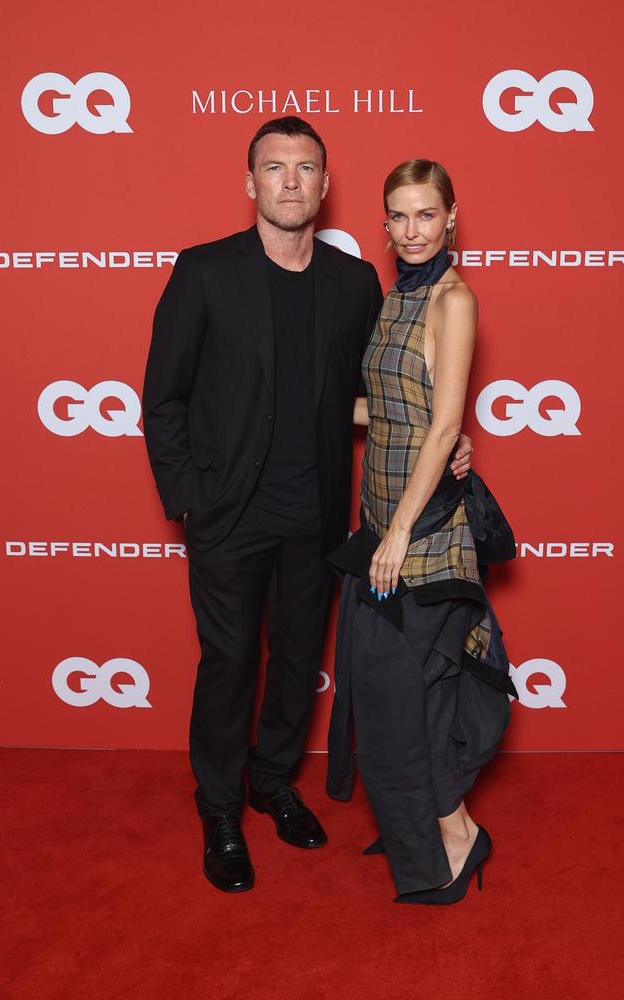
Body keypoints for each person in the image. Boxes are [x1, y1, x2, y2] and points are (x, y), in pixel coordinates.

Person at [142, 121, 473, 894]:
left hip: (318, 512)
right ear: (250, 182)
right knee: (229, 663)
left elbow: (378, 395)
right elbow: (163, 398)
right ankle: (221, 807)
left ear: (325, 186)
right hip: (228, 513)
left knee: (297, 659)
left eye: (305, 169)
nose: (290, 182)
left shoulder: (352, 281)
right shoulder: (203, 272)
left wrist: (444, 436)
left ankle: (272, 780)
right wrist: (189, 499)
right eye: (274, 168)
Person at [326, 159, 516, 905]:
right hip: (381, 518)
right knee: (397, 697)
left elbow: (443, 428)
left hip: (425, 528)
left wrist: (399, 532)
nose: (411, 232)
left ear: (451, 217)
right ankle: (432, 823)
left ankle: (456, 833)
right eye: (398, 218)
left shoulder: (452, 300)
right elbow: (385, 411)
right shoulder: (392, 299)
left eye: (425, 216)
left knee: (414, 694)